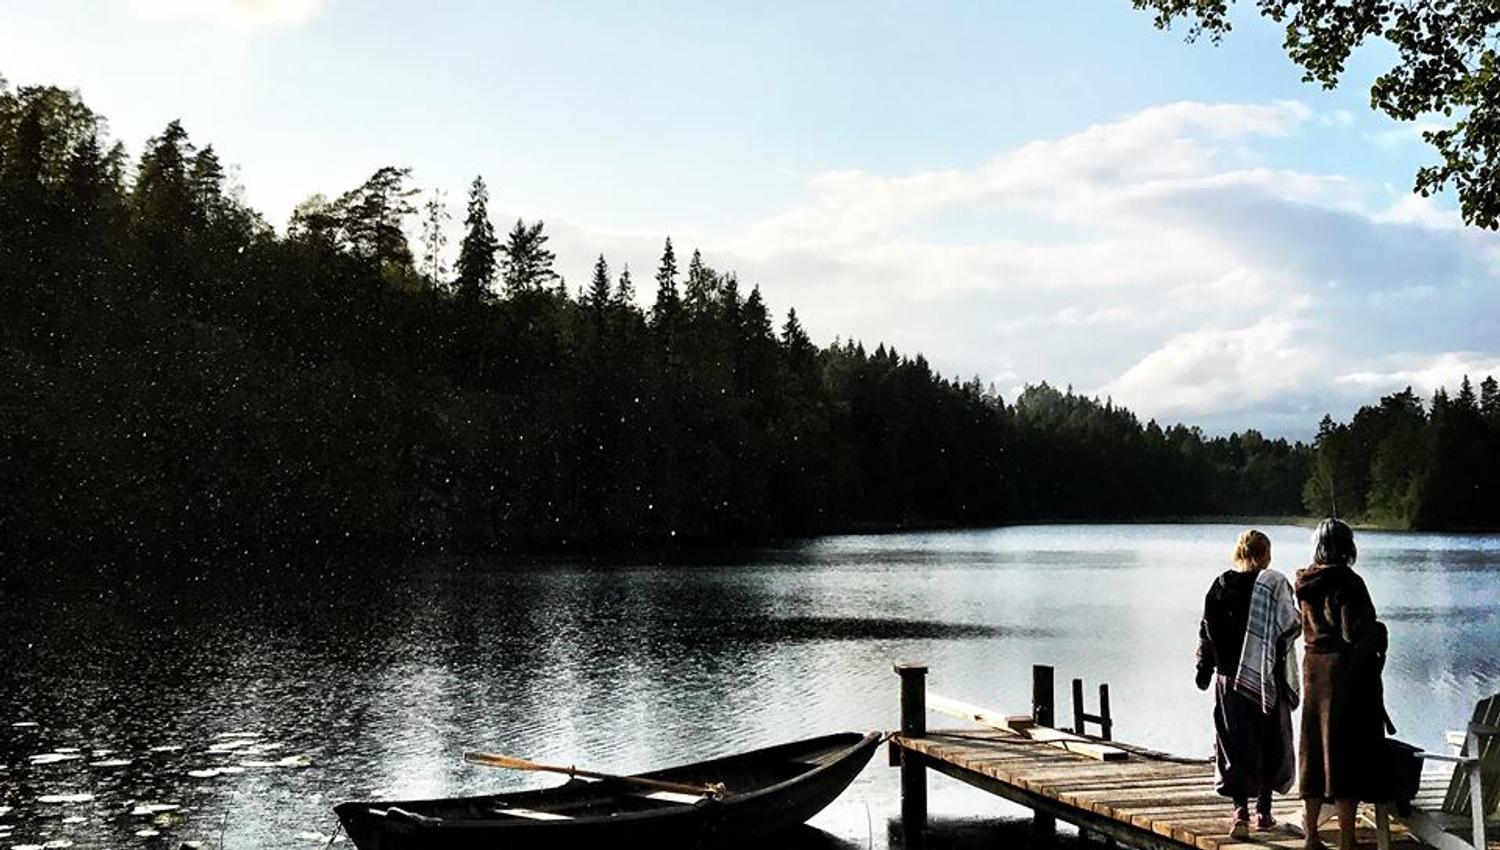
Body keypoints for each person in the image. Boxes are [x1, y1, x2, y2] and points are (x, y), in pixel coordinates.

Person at [1196, 529, 1300, 839]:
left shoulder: (1220, 585)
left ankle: (1240, 812)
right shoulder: (1274, 584)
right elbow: (1290, 625)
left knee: (1233, 744)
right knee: (1270, 743)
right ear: (1264, 553)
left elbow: (1206, 631)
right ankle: (1264, 814)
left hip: (1228, 681)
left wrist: (1204, 669)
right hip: (1266, 678)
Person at [1296, 518, 1381, 850]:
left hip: (1312, 668)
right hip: (1342, 676)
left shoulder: (1305, 581)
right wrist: (1379, 631)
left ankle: (1311, 837)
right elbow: (1352, 632)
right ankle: (1348, 840)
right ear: (1347, 546)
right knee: (1344, 754)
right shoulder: (1348, 582)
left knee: (1313, 751)